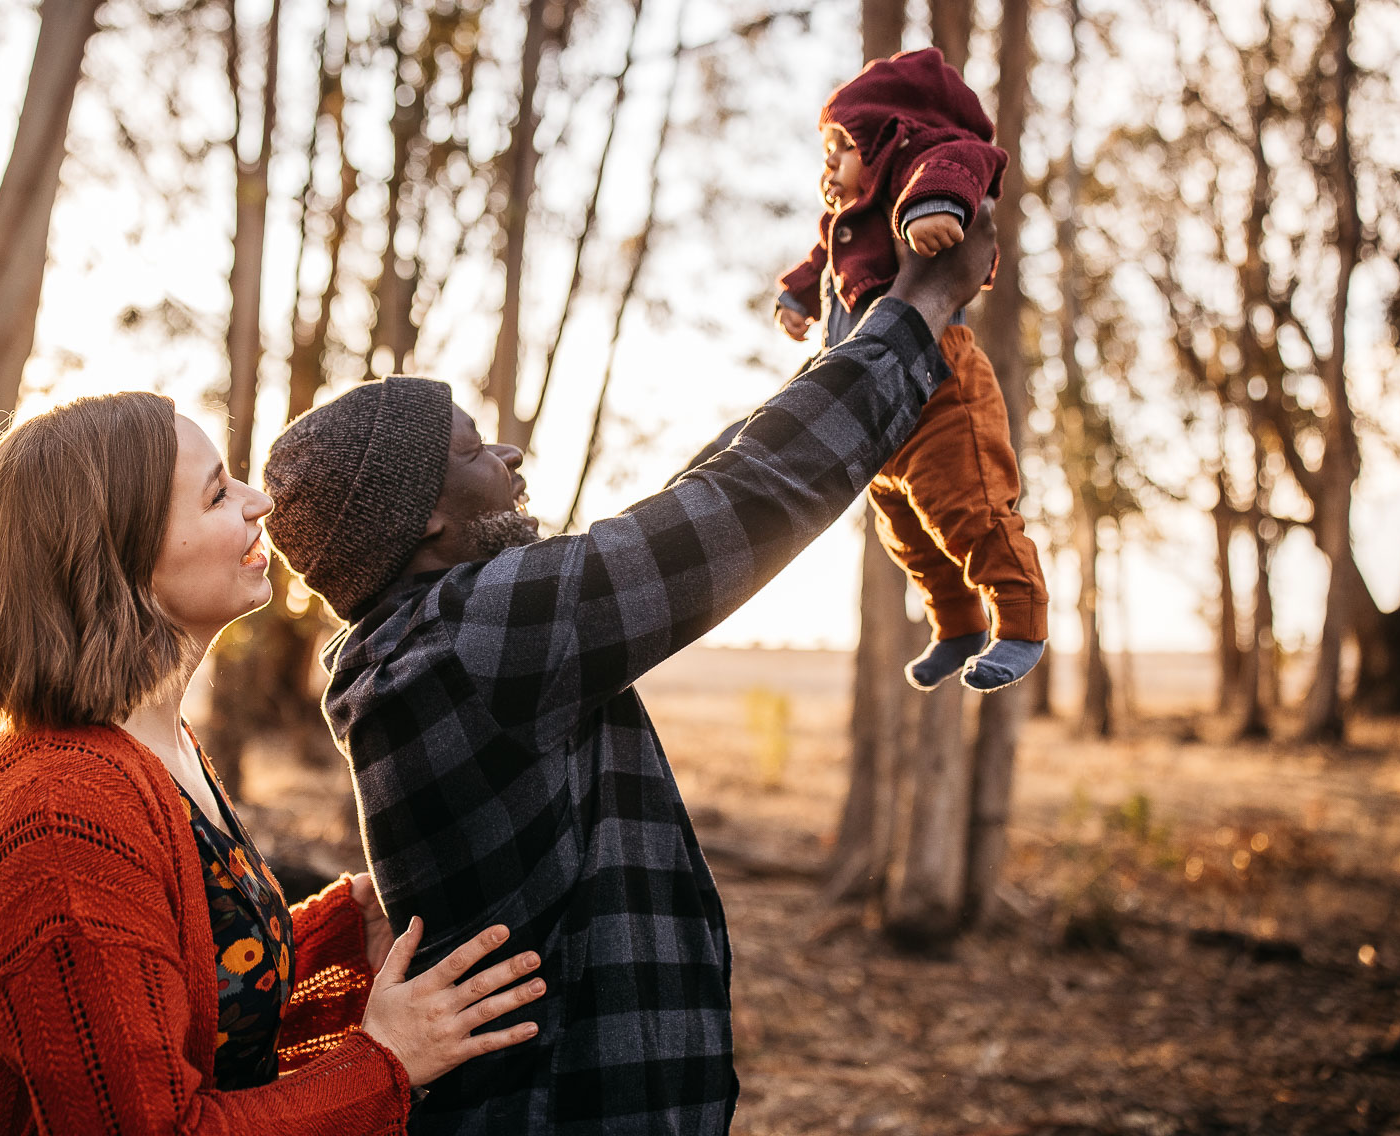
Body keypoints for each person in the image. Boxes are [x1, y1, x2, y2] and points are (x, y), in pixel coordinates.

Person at [257, 208, 1001, 1134]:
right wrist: (924, 303)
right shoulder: (468, 641)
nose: (507, 454)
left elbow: (702, 491)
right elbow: (737, 505)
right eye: (470, 450)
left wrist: (853, 338)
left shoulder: (430, 643)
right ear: (425, 524)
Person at [0, 391, 545, 1136]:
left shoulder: (157, 749)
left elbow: (186, 998)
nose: (260, 503)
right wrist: (387, 1062)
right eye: (218, 493)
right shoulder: (63, 812)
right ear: (119, 555)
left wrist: (349, 926)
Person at [774, 46, 1048, 693]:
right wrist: (794, 295)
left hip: (937, 384)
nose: (827, 169)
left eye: (839, 149)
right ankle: (956, 624)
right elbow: (822, 256)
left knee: (968, 508)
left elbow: (966, 160)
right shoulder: (845, 221)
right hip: (868, 402)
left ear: (883, 138)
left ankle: (1020, 621)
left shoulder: (919, 164)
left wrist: (934, 205)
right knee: (908, 534)